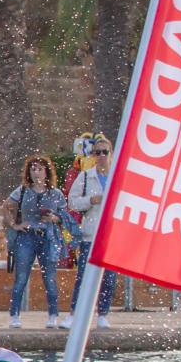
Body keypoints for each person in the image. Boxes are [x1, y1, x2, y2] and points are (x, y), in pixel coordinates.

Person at [2, 154, 68, 330]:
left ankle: (53, 315)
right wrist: (14, 224)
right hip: (27, 235)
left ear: (47, 172)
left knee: (50, 278)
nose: (36, 172)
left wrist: (54, 217)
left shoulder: (55, 193)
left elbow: (64, 216)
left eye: (39, 169)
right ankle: (14, 314)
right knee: (21, 277)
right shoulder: (22, 190)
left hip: (47, 236)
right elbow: (6, 205)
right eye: (33, 169)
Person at [63, 135, 118, 330]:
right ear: (93, 155)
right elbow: (72, 201)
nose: (101, 156)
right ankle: (73, 313)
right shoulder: (86, 176)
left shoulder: (118, 177)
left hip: (111, 235)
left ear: (111, 153)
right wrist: (90, 200)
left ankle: (103, 314)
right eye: (98, 152)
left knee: (109, 278)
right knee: (84, 276)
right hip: (91, 234)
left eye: (105, 152)